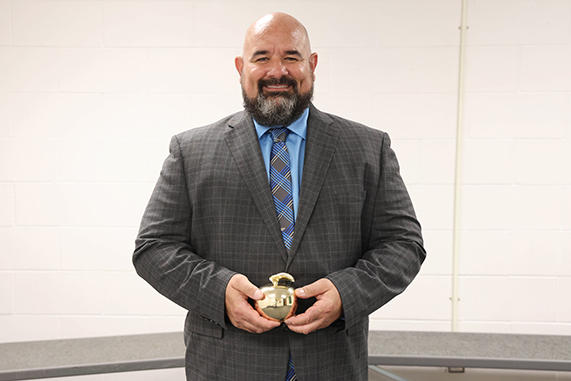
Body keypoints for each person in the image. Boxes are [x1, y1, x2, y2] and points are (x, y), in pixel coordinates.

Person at [134, 12, 425, 381]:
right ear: (241, 68)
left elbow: (403, 244)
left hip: (332, 364)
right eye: (262, 58)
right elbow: (153, 248)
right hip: (227, 365)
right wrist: (219, 291)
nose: (277, 71)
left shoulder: (368, 147)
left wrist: (345, 293)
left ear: (312, 65)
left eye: (291, 57)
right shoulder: (191, 151)